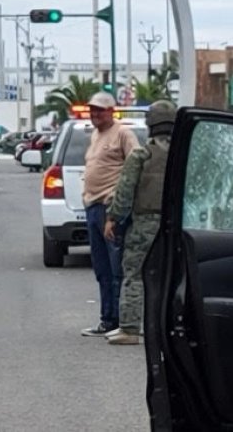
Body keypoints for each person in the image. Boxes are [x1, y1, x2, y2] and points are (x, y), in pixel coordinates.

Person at [103, 100, 177, 345]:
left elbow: (125, 192)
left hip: (145, 224)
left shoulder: (141, 155)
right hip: (177, 225)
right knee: (172, 276)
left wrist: (113, 217)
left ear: (150, 125)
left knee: (134, 274)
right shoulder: (183, 155)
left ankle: (131, 329)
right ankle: (169, 328)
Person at [80, 91, 140, 338]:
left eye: (100, 110)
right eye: (92, 110)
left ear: (111, 111)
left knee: (117, 269)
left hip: (110, 207)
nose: (95, 114)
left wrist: (117, 208)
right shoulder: (95, 134)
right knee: (101, 268)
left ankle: (120, 321)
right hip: (93, 207)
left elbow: (136, 165)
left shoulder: (123, 133)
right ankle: (106, 319)